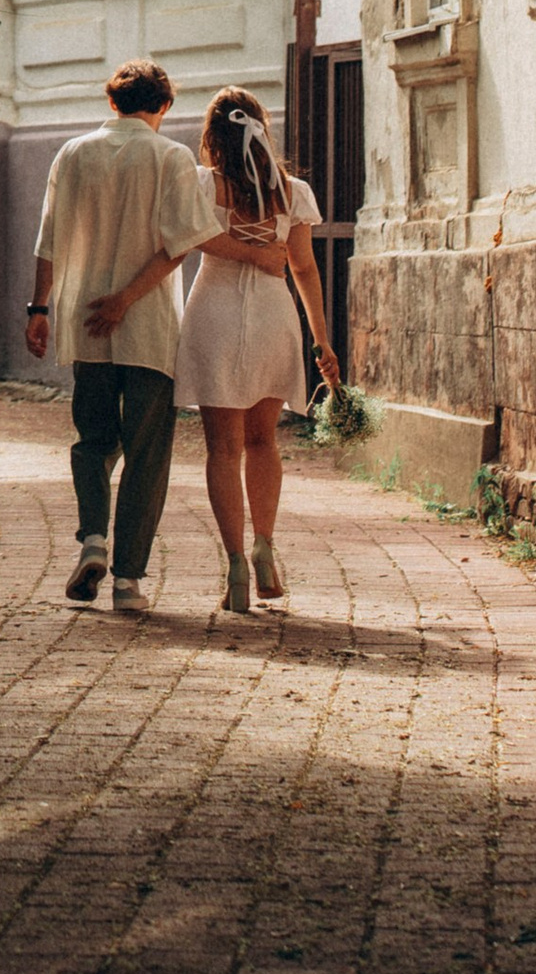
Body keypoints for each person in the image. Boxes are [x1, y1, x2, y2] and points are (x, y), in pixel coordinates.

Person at [89, 84, 340, 613]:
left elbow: (177, 248)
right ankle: (266, 545)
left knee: (223, 448)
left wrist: (126, 297)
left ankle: (234, 568)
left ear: (211, 136)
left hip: (215, 318)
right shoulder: (292, 192)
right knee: (263, 442)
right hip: (276, 320)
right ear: (262, 130)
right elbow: (304, 269)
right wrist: (322, 341)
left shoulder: (202, 186)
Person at [23, 57, 251, 607]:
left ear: (111, 102)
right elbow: (180, 244)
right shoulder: (172, 158)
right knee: (148, 452)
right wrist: (127, 300)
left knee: (93, 440)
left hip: (85, 319)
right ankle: (127, 582)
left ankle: (93, 540)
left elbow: (48, 239)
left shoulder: (72, 153)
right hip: (147, 325)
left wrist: (39, 309)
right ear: (165, 105)